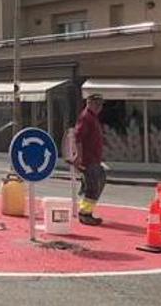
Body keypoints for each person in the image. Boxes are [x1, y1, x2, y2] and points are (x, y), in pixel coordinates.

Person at [73, 93, 106, 226]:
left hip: (94, 159)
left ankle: (87, 212)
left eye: (101, 105)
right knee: (93, 187)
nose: (99, 108)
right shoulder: (86, 117)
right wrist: (79, 156)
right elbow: (78, 137)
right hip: (88, 159)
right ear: (89, 103)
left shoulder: (92, 117)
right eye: (97, 104)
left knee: (97, 183)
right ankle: (84, 214)